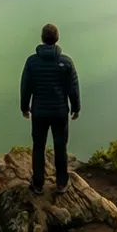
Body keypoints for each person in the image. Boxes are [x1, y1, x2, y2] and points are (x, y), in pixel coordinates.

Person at [20, 23, 80, 194]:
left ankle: (38, 184)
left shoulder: (32, 62)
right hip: (60, 112)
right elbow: (73, 88)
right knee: (61, 146)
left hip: (39, 112)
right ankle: (61, 183)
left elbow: (25, 87)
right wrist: (76, 108)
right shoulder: (66, 62)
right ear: (57, 39)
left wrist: (25, 108)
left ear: (42, 38)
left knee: (38, 146)